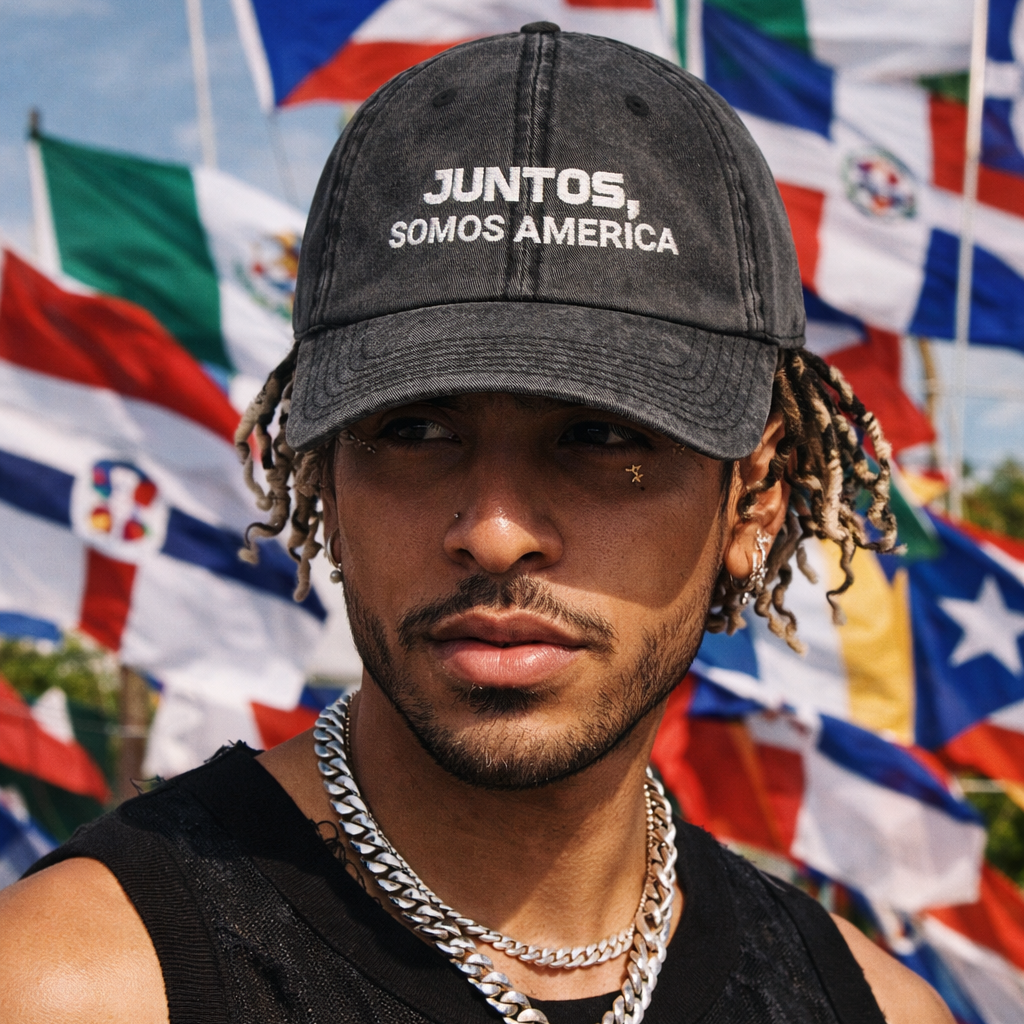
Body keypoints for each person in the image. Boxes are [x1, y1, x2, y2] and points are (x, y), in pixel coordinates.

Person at [0, 24, 953, 1024]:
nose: (495, 534)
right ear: (319, 473)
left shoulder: (867, 1008)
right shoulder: (85, 986)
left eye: (600, 435)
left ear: (753, 500)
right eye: (412, 428)